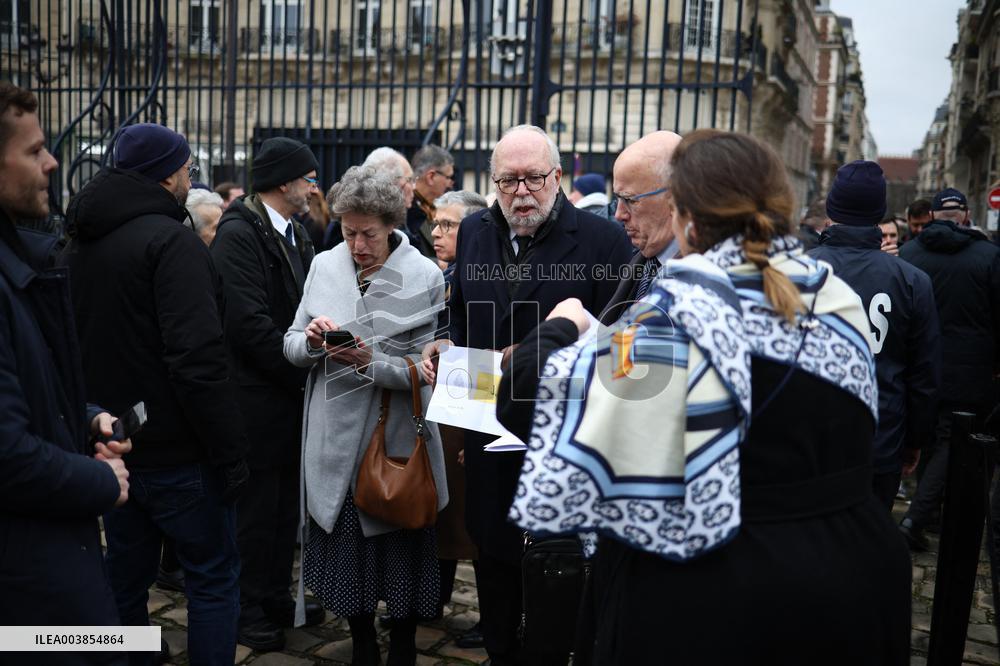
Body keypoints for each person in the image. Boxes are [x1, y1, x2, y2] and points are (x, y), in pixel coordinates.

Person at [497, 129, 911, 664]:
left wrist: (560, 326)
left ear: (686, 214)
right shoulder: (833, 294)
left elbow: (528, 396)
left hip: (727, 589)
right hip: (854, 573)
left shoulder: (680, 313)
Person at [424, 124, 632, 665]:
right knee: (492, 568)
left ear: (557, 177)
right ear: (492, 182)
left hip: (559, 447)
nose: (521, 192)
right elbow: (465, 317)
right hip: (488, 439)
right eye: (508, 180)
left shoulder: (604, 241)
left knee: (554, 587)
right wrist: (448, 347)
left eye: (534, 179)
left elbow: (616, 350)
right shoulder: (473, 233)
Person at [64, 123, 248, 666]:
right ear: (168, 174)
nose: (190, 177)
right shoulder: (172, 242)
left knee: (124, 578)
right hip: (180, 452)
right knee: (212, 579)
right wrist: (230, 450)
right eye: (187, 166)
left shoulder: (81, 239)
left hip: (114, 446)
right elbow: (197, 359)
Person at [283, 165, 448, 666]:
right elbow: (289, 345)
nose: (356, 244)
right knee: (347, 560)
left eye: (368, 234)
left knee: (399, 554)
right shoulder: (324, 264)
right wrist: (312, 343)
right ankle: (360, 645)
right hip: (333, 442)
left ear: (391, 224)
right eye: (348, 231)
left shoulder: (424, 274)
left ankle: (401, 647)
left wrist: (369, 363)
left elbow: (426, 370)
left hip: (394, 442)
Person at [0, 83, 130, 663]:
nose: (52, 162)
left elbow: (24, 389)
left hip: (52, 572)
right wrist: (102, 483)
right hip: (29, 592)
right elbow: (7, 455)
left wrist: (83, 420)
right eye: (34, 151)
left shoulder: (19, 261)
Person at [210, 137, 325, 651]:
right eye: (308, 177)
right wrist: (298, 367)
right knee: (256, 512)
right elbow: (248, 324)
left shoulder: (296, 233)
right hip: (257, 396)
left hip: (287, 394)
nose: (313, 186)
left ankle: (276, 593)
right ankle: (247, 608)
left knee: (284, 508)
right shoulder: (239, 234)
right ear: (284, 182)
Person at [809, 160, 940, 510]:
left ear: (832, 209)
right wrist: (915, 440)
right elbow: (923, 375)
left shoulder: (797, 270)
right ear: (879, 214)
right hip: (879, 441)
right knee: (865, 551)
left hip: (808, 441)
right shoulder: (912, 281)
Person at [898, 186, 1000, 550]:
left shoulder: (909, 253)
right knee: (947, 442)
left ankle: (928, 515)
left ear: (933, 217)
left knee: (929, 436)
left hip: (919, 363)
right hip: (971, 368)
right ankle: (916, 519)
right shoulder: (988, 256)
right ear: (966, 217)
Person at [427, 189, 487, 646]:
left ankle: (492, 616)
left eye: (449, 225)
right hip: (435, 407)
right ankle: (433, 600)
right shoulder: (435, 275)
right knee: (439, 510)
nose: (436, 232)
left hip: (473, 408)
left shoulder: (486, 277)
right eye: (436, 222)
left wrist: (475, 428)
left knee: (477, 518)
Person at [600, 130, 683, 325]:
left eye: (630, 200)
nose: (619, 214)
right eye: (618, 198)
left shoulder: (704, 278)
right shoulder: (639, 259)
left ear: (675, 195)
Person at [408, 144, 455, 258]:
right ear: (431, 177)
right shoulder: (406, 210)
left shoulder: (435, 209)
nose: (451, 183)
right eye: (448, 177)